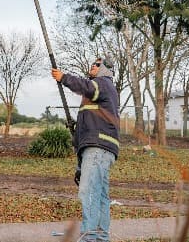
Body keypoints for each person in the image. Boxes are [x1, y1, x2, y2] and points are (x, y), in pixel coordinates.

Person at [51, 58, 120, 242]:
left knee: (89, 192)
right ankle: (101, 238)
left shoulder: (102, 83)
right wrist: (80, 165)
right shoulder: (102, 94)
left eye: (97, 64)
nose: (92, 66)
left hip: (98, 149)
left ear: (104, 69)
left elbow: (86, 87)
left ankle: (89, 238)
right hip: (103, 149)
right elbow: (87, 129)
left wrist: (63, 77)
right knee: (101, 196)